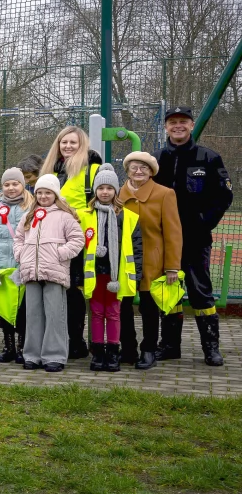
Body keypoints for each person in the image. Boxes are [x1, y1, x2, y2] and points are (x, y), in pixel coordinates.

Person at [153, 106, 232, 366]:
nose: (178, 126)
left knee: (200, 292)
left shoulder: (208, 157)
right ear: (166, 127)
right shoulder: (156, 159)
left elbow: (224, 196)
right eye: (172, 122)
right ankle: (169, 346)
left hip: (196, 241)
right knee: (169, 292)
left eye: (183, 121)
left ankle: (211, 348)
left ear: (191, 124)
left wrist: (203, 223)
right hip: (164, 241)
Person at [41, 126, 102, 360]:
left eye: (73, 143)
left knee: (74, 290)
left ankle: (76, 340)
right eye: (63, 142)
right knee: (58, 289)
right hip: (51, 241)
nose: (67, 146)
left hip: (79, 241)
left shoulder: (92, 170)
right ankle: (58, 338)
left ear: (82, 145)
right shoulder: (51, 172)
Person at [13, 174, 84, 372]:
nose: (43, 196)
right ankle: (32, 355)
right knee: (33, 315)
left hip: (54, 272)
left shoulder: (64, 216)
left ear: (55, 195)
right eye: (40, 193)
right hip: (31, 272)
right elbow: (19, 238)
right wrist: (21, 254)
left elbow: (77, 239)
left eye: (48, 193)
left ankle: (54, 356)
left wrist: (60, 254)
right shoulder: (29, 215)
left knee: (55, 315)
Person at [119, 151, 183, 370]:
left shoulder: (165, 194)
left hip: (152, 260)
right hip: (125, 261)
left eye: (144, 168)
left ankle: (149, 350)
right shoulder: (117, 194)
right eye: (134, 167)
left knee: (149, 308)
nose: (138, 171)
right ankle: (127, 349)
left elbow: (173, 233)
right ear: (127, 170)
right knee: (123, 306)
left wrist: (172, 266)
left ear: (152, 171)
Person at [82, 165, 141, 372]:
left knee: (114, 313)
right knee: (97, 312)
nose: (105, 192)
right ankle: (98, 353)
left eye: (109, 188)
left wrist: (137, 274)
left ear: (116, 191)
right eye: (101, 188)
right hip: (95, 274)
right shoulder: (85, 215)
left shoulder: (128, 217)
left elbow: (137, 248)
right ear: (95, 191)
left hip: (117, 275)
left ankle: (113, 352)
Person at [0, 168, 32, 363]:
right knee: (4, 309)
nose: (11, 188)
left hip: (23, 268)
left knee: (23, 309)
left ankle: (23, 346)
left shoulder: (31, 206)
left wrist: (25, 265)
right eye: (7, 184)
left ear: (22, 185)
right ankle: (8, 346)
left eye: (15, 184)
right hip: (1, 269)